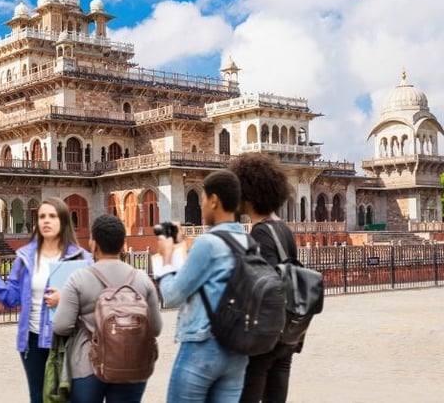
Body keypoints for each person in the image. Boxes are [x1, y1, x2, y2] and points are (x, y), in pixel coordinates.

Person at [155, 169, 250, 402]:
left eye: (204, 199)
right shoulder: (250, 242)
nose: (203, 206)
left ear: (214, 200)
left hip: (203, 345)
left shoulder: (208, 243)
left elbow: (172, 295)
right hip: (238, 350)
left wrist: (166, 258)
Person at [0, 197, 92, 403]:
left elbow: (95, 298)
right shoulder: (25, 257)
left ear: (63, 221)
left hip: (69, 339)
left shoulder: (82, 258)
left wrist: (66, 298)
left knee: (70, 396)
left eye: (52, 216)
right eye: (42, 216)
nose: (46, 221)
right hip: (33, 340)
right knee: (38, 397)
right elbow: (11, 298)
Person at [53, 213, 163, 402]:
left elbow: (61, 326)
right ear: (123, 245)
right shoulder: (141, 279)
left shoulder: (79, 278)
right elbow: (156, 328)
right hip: (133, 363)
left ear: (93, 244)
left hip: (88, 364)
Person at [229, 153, 299, 403]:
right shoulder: (283, 229)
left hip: (267, 334)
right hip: (288, 332)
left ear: (246, 196)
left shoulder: (260, 233)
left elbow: (265, 285)